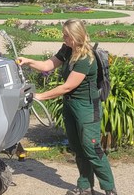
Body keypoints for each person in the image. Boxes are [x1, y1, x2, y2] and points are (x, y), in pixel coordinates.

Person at [17, 19, 117, 195]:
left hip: (86, 108)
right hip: (70, 106)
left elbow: (67, 86)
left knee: (91, 148)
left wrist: (39, 96)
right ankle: (85, 187)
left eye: (66, 35)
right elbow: (48, 65)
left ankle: (109, 189)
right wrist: (28, 61)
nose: (63, 39)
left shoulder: (86, 58)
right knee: (78, 148)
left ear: (76, 36)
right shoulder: (67, 50)